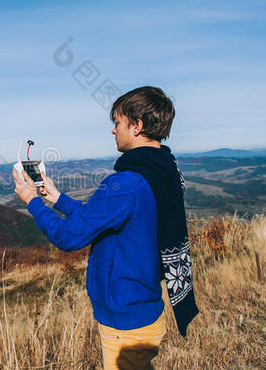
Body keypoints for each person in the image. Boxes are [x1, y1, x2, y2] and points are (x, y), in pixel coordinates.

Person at [12, 86, 199, 369]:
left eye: (117, 123)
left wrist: (32, 201)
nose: (113, 131)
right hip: (145, 308)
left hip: (125, 321)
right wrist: (58, 200)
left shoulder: (125, 184)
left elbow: (68, 236)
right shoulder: (163, 171)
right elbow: (105, 220)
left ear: (136, 126)